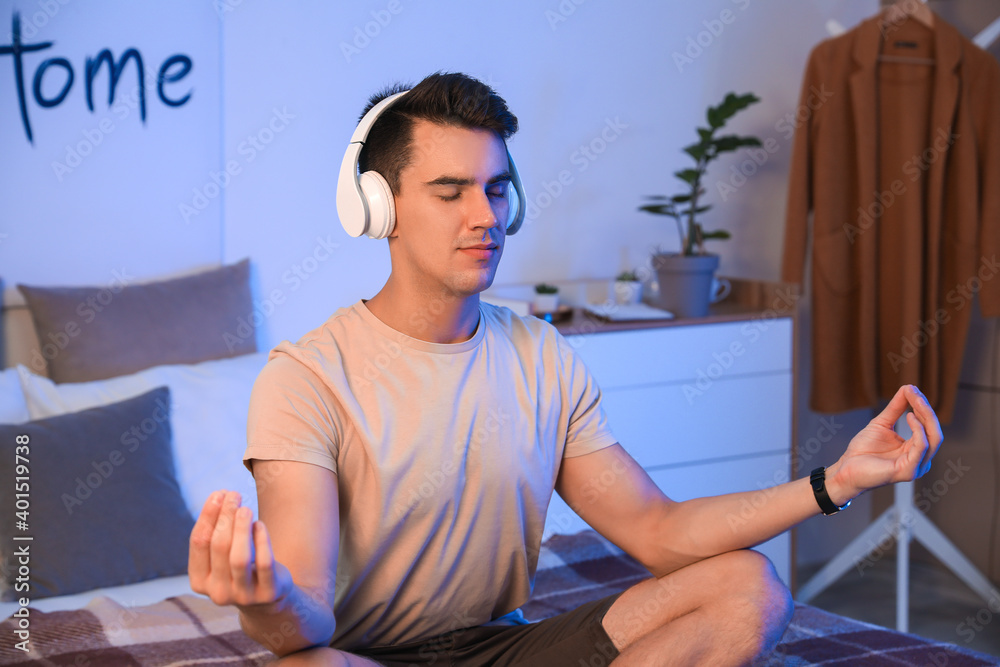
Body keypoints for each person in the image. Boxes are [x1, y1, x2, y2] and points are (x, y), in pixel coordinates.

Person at [188, 72, 943, 666]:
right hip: (364, 655)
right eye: (449, 192)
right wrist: (267, 599)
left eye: (495, 189)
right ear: (377, 209)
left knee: (749, 588)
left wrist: (835, 481)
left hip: (503, 644)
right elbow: (307, 617)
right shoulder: (307, 378)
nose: (484, 215)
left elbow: (657, 528)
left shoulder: (541, 355)